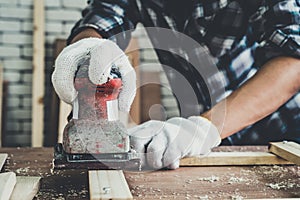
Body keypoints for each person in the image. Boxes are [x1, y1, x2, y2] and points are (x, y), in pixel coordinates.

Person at [52, 0, 300, 169]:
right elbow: (104, 16)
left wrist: (205, 127)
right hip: (204, 134)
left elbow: (294, 59)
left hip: (285, 129)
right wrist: (89, 46)